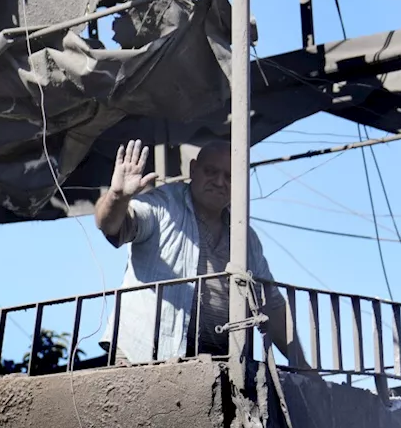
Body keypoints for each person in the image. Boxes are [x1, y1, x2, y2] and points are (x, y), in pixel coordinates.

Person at [94, 139, 309, 367]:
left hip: (217, 367)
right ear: (193, 169)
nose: (219, 182)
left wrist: (304, 367)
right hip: (144, 360)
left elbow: (272, 305)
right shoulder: (163, 205)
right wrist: (118, 196)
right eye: (211, 171)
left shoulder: (245, 238)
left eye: (229, 177)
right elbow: (110, 225)